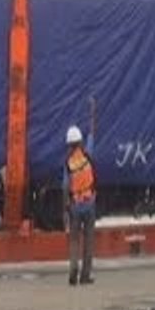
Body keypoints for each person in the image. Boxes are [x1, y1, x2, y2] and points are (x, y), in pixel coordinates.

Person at [64, 97, 98, 286]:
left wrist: (65, 210)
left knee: (74, 242)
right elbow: (93, 132)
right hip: (90, 204)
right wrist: (93, 112)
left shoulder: (68, 163)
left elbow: (64, 188)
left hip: (75, 206)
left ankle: (72, 271)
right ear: (80, 141)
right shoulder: (88, 154)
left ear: (69, 144)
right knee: (89, 242)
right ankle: (85, 276)